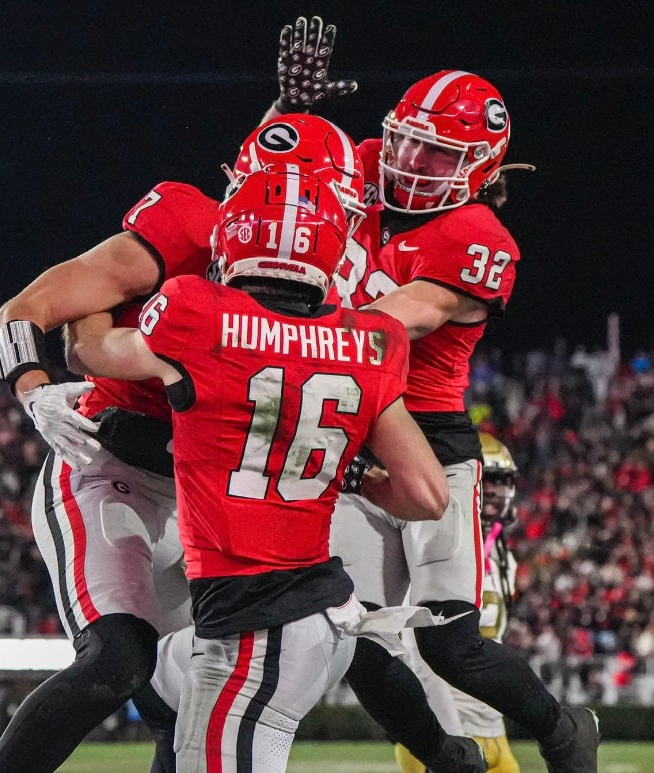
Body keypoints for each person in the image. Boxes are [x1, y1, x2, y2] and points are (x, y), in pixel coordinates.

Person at [0, 113, 368, 773]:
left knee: (183, 704)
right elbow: (24, 309)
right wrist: (34, 387)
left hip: (204, 504)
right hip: (112, 468)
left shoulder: (335, 285)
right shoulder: (184, 229)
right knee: (118, 662)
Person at [260, 17, 599, 772]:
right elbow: (271, 188)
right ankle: (445, 757)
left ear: (479, 166)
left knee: (452, 646)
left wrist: (271, 323)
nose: (410, 162)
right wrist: (289, 115)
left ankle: (562, 728)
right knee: (348, 629)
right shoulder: (369, 163)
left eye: (436, 152)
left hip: (432, 439)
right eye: (406, 140)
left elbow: (395, 319)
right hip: (346, 438)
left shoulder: (477, 235)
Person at [65, 165, 449, 773]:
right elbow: (427, 495)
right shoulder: (372, 338)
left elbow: (89, 351)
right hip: (326, 616)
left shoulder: (198, 312)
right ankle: (453, 758)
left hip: (251, 626)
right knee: (159, 685)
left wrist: (90, 301)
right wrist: (342, 473)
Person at [395, 433, 522, 773]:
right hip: (445, 728)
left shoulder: (502, 554)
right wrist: (449, 740)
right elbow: (418, 649)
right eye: (488, 478)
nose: (494, 490)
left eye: (503, 480)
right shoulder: (432, 542)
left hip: (492, 728)